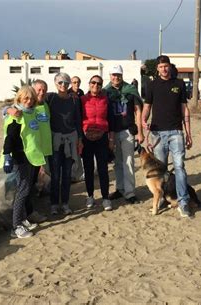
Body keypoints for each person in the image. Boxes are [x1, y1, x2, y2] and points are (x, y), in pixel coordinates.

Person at [142, 55, 193, 218]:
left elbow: (184, 108)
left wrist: (188, 132)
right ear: (157, 68)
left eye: (166, 66)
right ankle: (162, 198)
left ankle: (183, 202)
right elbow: (147, 106)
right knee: (160, 170)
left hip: (176, 132)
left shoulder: (179, 84)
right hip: (157, 133)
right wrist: (143, 121)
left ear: (170, 67)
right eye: (161, 66)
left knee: (179, 167)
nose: (164, 69)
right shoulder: (151, 85)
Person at [1, 85, 52, 238]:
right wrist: (7, 156)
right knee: (22, 191)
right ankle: (16, 226)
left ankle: (22, 219)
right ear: (19, 99)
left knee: (27, 189)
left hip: (31, 157)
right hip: (19, 158)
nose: (29, 101)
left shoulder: (32, 113)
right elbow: (10, 137)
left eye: (31, 99)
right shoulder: (17, 114)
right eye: (26, 99)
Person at [104, 65, 144, 204]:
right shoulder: (106, 91)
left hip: (127, 130)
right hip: (112, 132)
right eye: (114, 75)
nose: (116, 77)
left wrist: (140, 132)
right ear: (110, 75)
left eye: (118, 75)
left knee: (128, 162)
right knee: (117, 163)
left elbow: (138, 110)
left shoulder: (130, 90)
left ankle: (130, 192)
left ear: (122, 75)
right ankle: (120, 189)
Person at [47, 73, 83, 215]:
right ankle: (54, 204)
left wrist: (80, 139)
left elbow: (78, 121)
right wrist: (7, 110)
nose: (63, 85)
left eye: (66, 83)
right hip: (55, 142)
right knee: (55, 174)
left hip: (70, 141)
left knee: (68, 174)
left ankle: (66, 203)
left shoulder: (74, 100)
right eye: (60, 82)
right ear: (55, 83)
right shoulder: (49, 98)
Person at [81, 75, 114, 211]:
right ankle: (90, 196)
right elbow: (78, 119)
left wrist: (111, 139)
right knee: (88, 169)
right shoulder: (82, 100)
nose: (96, 85)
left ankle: (105, 198)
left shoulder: (106, 100)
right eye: (93, 82)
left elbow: (111, 120)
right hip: (86, 138)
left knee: (102, 169)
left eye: (99, 83)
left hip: (102, 137)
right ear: (89, 84)